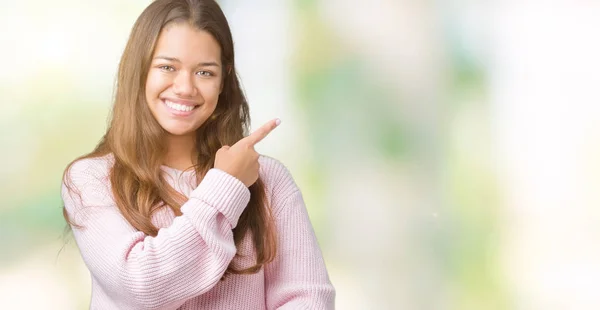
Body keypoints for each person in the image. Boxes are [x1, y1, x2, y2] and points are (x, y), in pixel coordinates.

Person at [60, 0, 335, 309]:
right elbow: (139, 285)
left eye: (205, 72)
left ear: (223, 80)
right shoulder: (90, 179)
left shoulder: (268, 179)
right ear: (139, 69)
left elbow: (307, 299)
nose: (185, 88)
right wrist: (226, 186)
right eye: (167, 67)